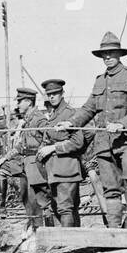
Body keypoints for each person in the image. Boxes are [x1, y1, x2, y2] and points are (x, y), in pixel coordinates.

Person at [64, 31, 127, 232]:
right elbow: (88, 108)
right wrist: (71, 122)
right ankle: (113, 227)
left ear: (119, 54)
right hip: (104, 141)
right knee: (109, 184)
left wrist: (123, 124)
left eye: (111, 53)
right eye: (104, 54)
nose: (107, 57)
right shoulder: (99, 81)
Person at [35, 78, 86, 227]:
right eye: (49, 94)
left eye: (55, 93)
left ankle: (70, 245)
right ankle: (77, 244)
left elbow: (78, 142)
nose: (52, 97)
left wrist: (52, 148)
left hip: (67, 168)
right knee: (69, 208)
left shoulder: (69, 113)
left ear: (62, 93)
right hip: (55, 170)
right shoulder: (53, 115)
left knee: (65, 208)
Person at [0, 88, 48, 226]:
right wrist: (5, 158)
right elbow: (20, 146)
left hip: (37, 165)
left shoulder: (39, 119)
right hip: (26, 164)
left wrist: (42, 150)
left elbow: (48, 138)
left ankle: (49, 235)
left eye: (19, 101)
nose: (17, 105)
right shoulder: (27, 121)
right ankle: (0, 207)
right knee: (27, 201)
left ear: (29, 102)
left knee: (41, 203)